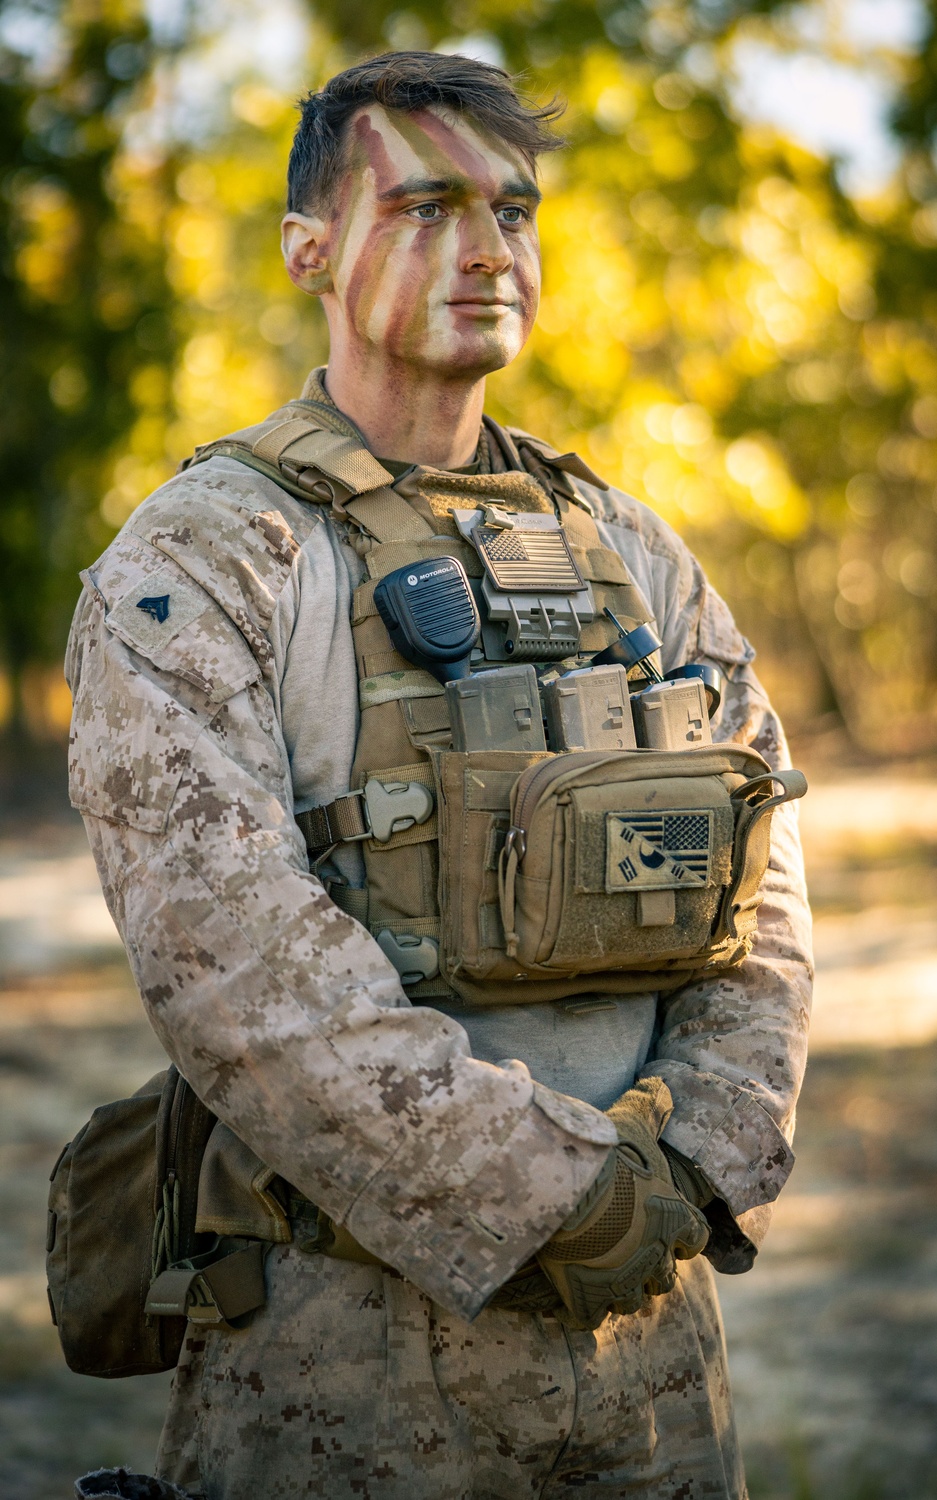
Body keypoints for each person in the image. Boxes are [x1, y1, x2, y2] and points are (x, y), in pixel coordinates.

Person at [65, 50, 812, 1500]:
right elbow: (237, 972)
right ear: (312, 250)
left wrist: (699, 1164)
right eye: (424, 209)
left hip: (656, 1343)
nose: (486, 252)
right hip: (349, 1352)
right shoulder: (206, 558)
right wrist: (553, 1193)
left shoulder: (630, 549)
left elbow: (764, 862)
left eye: (515, 211)